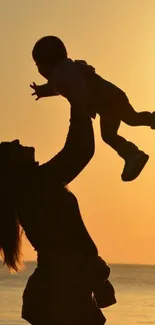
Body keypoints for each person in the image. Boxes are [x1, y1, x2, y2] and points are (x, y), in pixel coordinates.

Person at [0, 106, 116, 325]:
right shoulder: (37, 184)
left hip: (60, 288)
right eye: (9, 148)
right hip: (60, 291)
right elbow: (79, 151)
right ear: (12, 167)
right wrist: (78, 101)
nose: (16, 141)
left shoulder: (35, 186)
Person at [30, 35, 155, 182]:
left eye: (38, 65)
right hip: (109, 101)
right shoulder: (65, 71)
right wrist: (42, 91)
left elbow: (76, 85)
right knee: (125, 123)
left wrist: (79, 106)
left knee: (127, 122)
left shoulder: (63, 72)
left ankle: (133, 154)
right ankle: (133, 154)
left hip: (109, 99)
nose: (39, 70)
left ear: (46, 63)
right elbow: (57, 87)